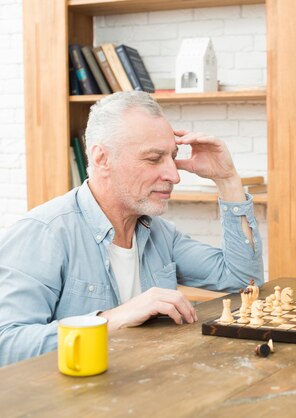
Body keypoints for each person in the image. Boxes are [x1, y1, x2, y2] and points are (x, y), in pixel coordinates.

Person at [0, 91, 263, 366]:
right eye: (153, 159)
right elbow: (7, 342)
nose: (174, 175)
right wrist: (113, 319)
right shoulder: (44, 233)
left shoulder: (160, 234)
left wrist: (228, 179)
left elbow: (244, 281)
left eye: (173, 157)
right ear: (102, 159)